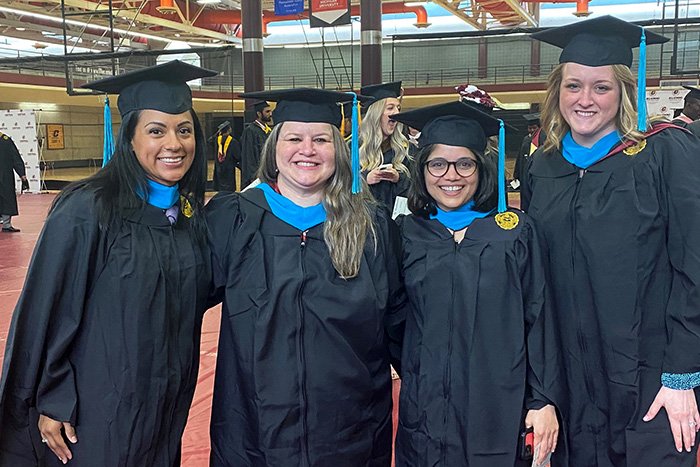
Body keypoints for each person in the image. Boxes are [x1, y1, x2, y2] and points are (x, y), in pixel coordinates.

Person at [0, 60, 214, 467]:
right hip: (93, 409)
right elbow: (48, 309)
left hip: (163, 406)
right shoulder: (88, 209)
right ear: (129, 138)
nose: (174, 143)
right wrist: (53, 396)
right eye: (156, 130)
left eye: (184, 130)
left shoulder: (187, 218)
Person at [522, 16, 700, 466]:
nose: (585, 100)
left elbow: (694, 265)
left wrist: (682, 375)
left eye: (601, 87)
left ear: (623, 90)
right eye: (573, 85)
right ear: (556, 92)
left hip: (648, 377)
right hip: (567, 381)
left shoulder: (664, 152)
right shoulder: (541, 167)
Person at [205, 88, 406, 466]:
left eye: (321, 139)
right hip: (253, 429)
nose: (307, 150)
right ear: (274, 146)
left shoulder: (371, 225)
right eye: (294, 138)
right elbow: (173, 303)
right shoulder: (235, 219)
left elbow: (402, 324)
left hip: (350, 429)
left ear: (339, 148)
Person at [391, 100, 561, 466]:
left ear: (481, 168)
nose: (450, 175)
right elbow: (393, 318)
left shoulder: (515, 232)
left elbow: (540, 316)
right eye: (437, 164)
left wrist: (542, 400)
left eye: (464, 163)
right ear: (422, 170)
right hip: (426, 404)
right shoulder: (406, 234)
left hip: (500, 401)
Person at [359, 81, 411, 214]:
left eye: (398, 108)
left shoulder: (406, 150)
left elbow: (419, 188)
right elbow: (340, 186)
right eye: (390, 108)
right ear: (376, 113)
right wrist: (366, 179)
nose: (396, 113)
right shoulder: (353, 148)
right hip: (362, 222)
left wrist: (399, 178)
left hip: (398, 225)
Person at [0, 131, 29, 232]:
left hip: (4, 176)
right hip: (4, 177)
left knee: (7, 199)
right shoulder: (5, 141)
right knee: (6, 198)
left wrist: (22, 174)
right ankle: (6, 224)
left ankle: (6, 224)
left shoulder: (5, 141)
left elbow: (15, 158)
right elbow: (15, 158)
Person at [240, 100, 272, 188]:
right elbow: (248, 157)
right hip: (256, 178)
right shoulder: (250, 131)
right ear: (259, 114)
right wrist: (254, 177)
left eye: (270, 111)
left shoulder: (268, 131)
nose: (270, 114)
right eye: (267, 111)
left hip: (268, 175)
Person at [513, 113, 541, 185]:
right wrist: (516, 174)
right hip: (525, 171)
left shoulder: (542, 139)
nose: (532, 130)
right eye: (530, 128)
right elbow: (520, 157)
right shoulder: (525, 139)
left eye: (534, 128)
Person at [212, 120, 241, 192]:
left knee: (220, 189)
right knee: (229, 189)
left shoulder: (216, 140)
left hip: (219, 168)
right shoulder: (233, 141)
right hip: (229, 168)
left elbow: (209, 140)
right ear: (228, 130)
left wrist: (217, 133)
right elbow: (238, 155)